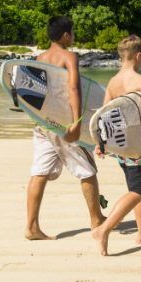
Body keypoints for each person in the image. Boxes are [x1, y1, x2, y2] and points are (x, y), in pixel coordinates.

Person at [25, 16, 105, 240]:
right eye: (72, 32)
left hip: (42, 122)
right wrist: (77, 122)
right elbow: (74, 88)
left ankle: (31, 227)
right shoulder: (69, 56)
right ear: (66, 35)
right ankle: (96, 219)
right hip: (64, 123)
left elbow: (34, 94)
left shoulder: (39, 58)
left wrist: (39, 119)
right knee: (87, 170)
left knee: (39, 173)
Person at [91, 35, 141, 256]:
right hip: (138, 144)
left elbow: (104, 115)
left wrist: (100, 143)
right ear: (139, 55)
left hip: (121, 146)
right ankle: (105, 229)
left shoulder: (113, 82)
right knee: (137, 190)